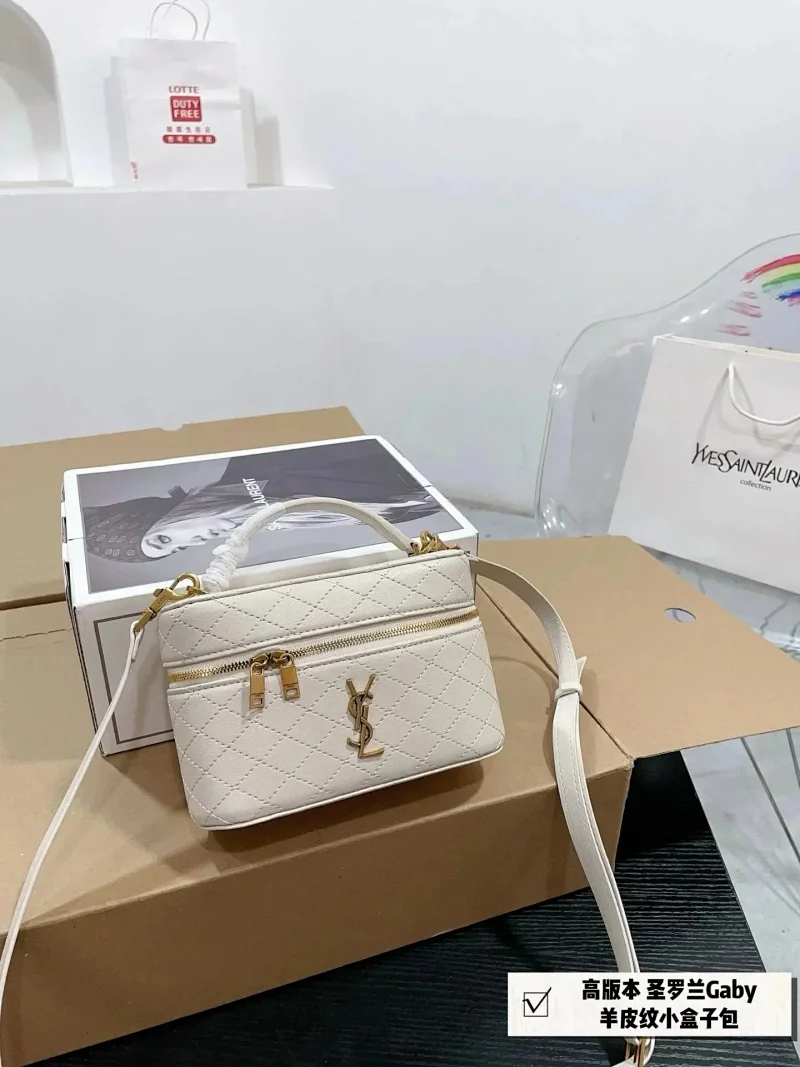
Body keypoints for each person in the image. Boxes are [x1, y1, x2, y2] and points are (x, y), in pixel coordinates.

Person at [82, 442, 443, 564]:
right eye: (178, 549)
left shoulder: (255, 464)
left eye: (163, 538)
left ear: (159, 513)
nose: (192, 541)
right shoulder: (286, 525)